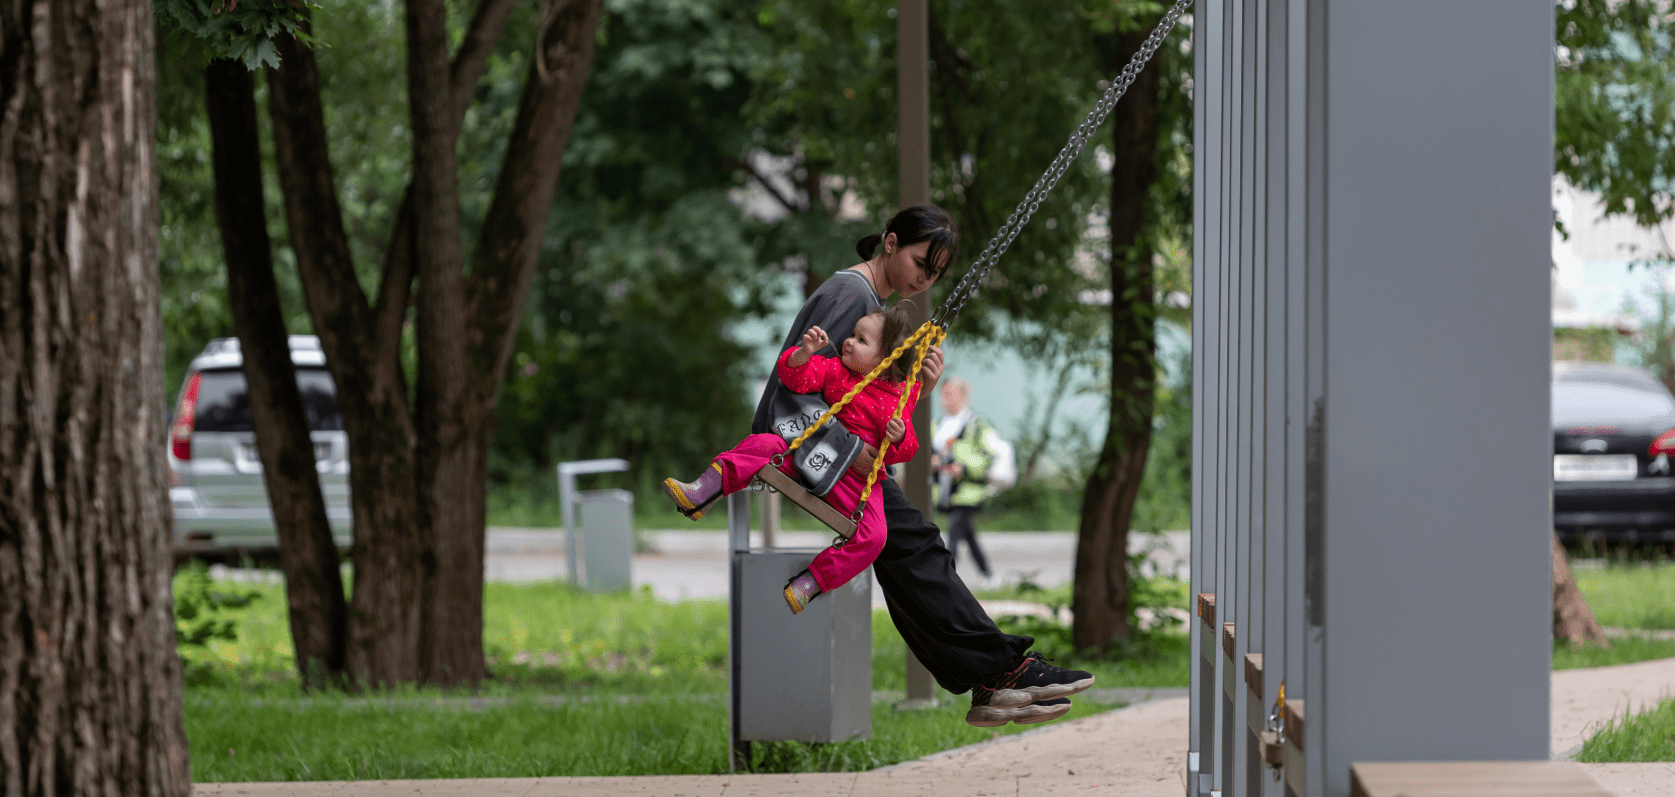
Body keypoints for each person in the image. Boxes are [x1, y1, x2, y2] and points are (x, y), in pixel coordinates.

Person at [746, 205, 1093, 728]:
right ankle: (1000, 673)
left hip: (842, 455)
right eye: (919, 262)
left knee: (908, 551)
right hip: (813, 450)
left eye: (935, 273)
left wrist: (920, 389)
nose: (925, 279)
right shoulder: (850, 296)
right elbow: (799, 384)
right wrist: (847, 450)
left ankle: (993, 678)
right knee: (915, 546)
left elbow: (867, 398)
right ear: (889, 243)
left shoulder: (872, 305)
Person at [661, 303, 923, 614]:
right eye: (853, 334)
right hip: (808, 454)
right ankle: (702, 491)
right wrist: (803, 354)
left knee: (875, 536)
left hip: (853, 482)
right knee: (764, 445)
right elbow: (795, 378)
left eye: (862, 340)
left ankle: (811, 582)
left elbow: (905, 449)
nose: (849, 341)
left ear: (887, 360)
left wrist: (898, 436)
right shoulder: (836, 371)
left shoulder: (896, 396)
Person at [933, 376, 994, 580]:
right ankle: (988, 575)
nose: (944, 399)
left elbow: (987, 455)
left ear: (962, 395)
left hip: (967, 491)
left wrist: (965, 468)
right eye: (943, 394)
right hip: (946, 489)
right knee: (968, 534)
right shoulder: (938, 425)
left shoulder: (975, 424)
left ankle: (946, 577)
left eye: (949, 393)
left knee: (954, 533)